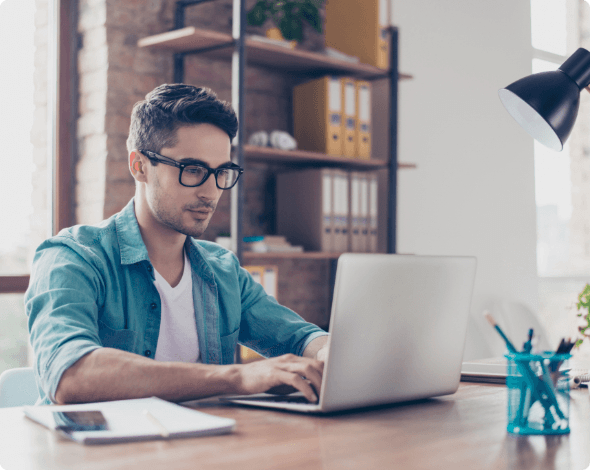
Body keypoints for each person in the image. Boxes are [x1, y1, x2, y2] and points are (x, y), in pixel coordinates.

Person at [26, 83, 329, 406]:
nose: (211, 192)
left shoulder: (223, 270)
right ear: (139, 166)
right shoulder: (72, 258)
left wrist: (328, 354)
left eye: (221, 173)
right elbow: (70, 375)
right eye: (193, 169)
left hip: (206, 447)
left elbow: (299, 337)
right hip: (101, 453)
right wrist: (237, 378)